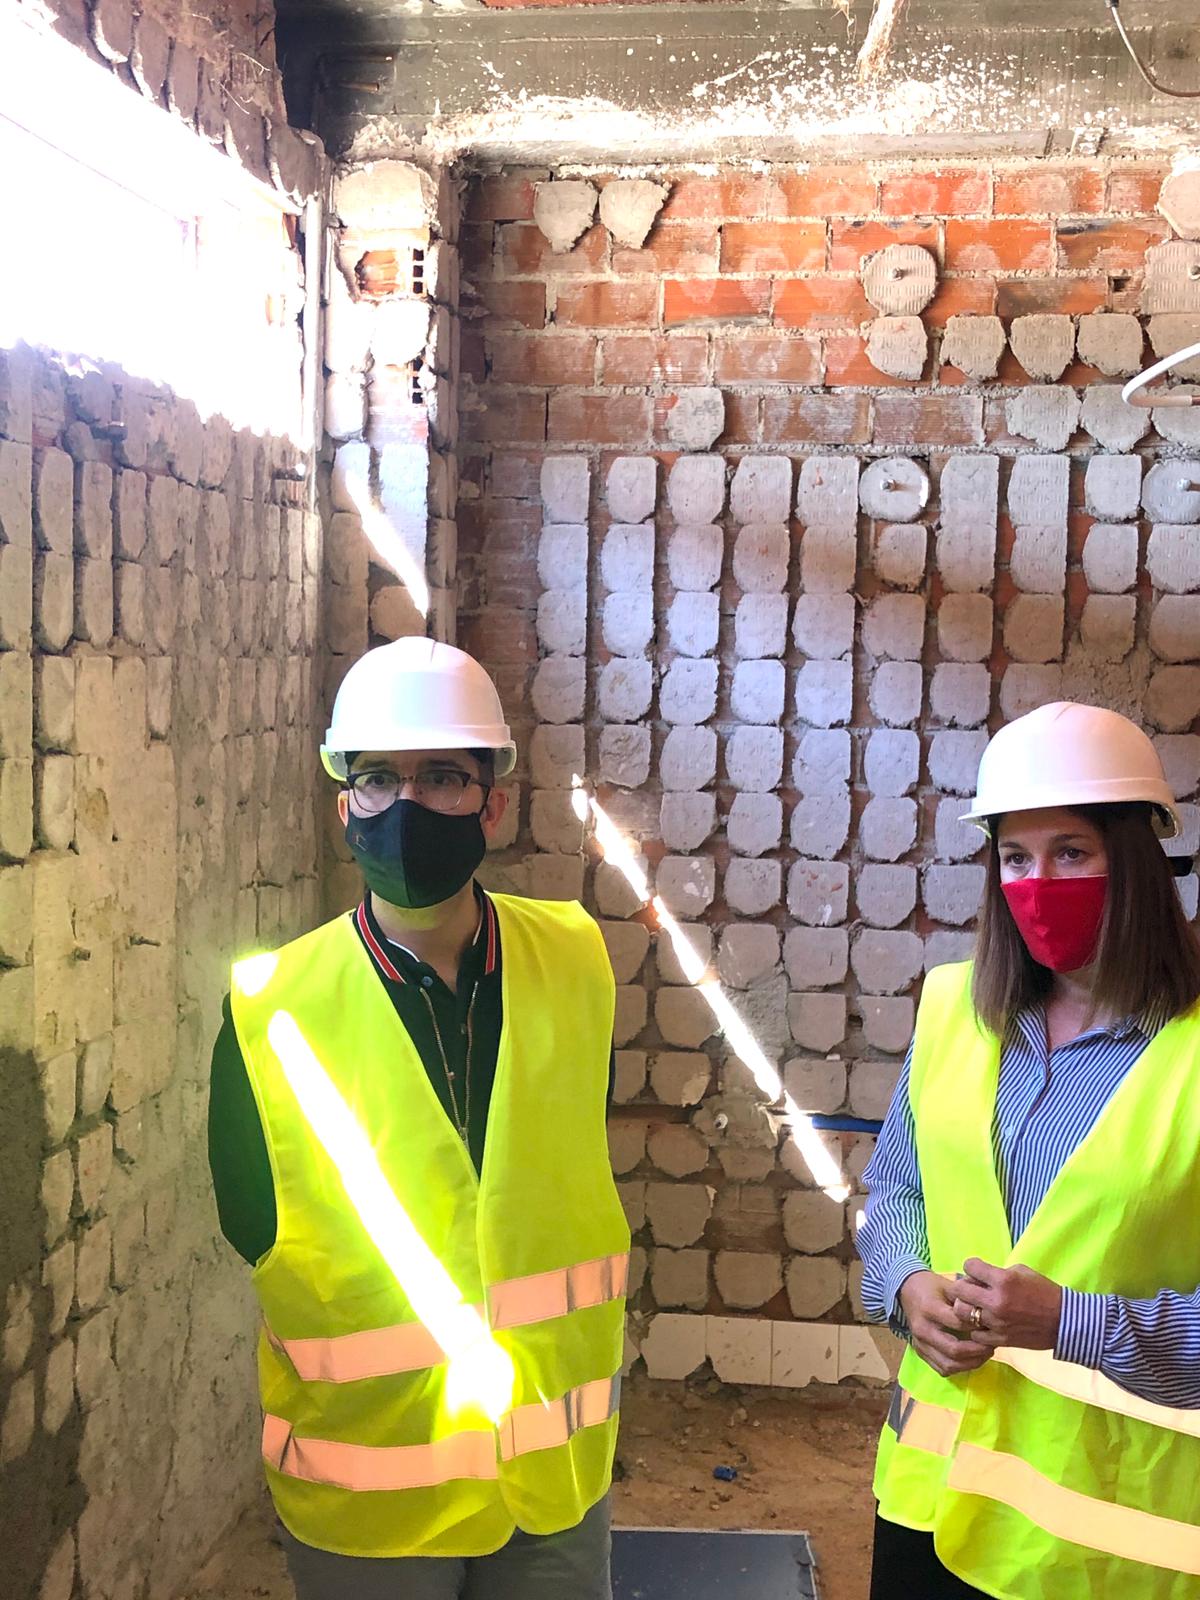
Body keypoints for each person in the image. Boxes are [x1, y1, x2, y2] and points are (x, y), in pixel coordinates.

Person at [207, 637, 629, 1600]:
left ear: (493, 804)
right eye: (377, 779)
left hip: (553, 1483)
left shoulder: (574, 960)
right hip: (373, 1507)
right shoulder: (274, 1007)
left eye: (441, 777)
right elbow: (250, 1221)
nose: (406, 806)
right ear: (344, 806)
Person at [857, 700, 1200, 1599]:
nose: (1038, 883)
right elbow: (897, 1190)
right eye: (1015, 857)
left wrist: (1072, 1323)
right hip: (927, 1507)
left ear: (1138, 858)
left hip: (1101, 1547)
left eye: (1071, 852)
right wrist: (904, 1284)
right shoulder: (954, 1009)